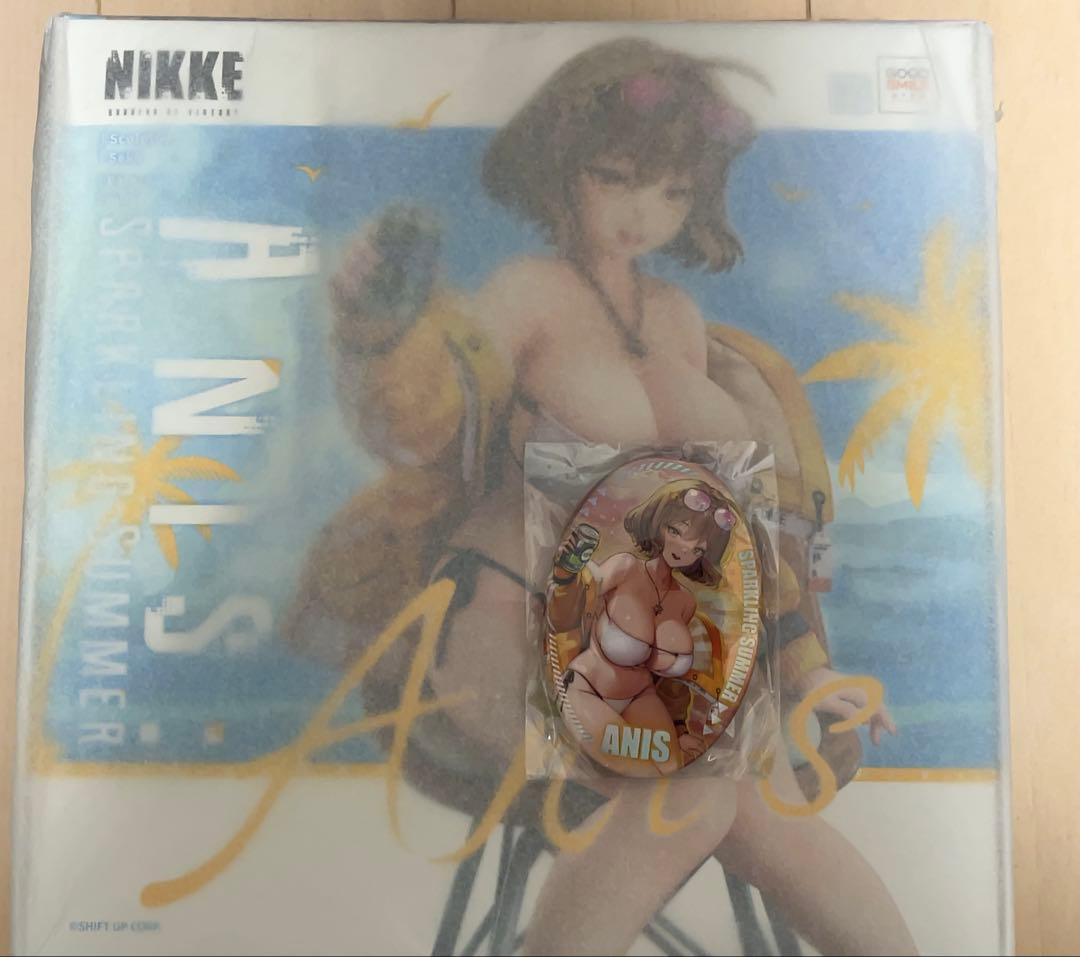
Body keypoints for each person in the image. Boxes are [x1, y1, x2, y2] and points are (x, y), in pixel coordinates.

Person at [287, 36, 912, 956]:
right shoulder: (526, 293)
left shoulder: (680, 320)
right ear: (562, 169)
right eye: (615, 178)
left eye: (671, 191)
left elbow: (727, 521)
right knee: (698, 793)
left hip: (662, 638)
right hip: (513, 626)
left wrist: (809, 667)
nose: (640, 212)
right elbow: (423, 417)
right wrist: (377, 328)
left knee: (744, 802)